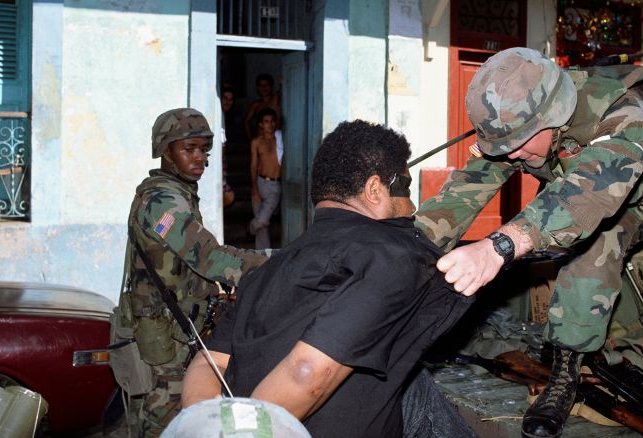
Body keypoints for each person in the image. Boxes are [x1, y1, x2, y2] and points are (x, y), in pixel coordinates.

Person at [415, 47, 643, 438]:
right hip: (629, 203)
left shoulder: (629, 106)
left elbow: (592, 190)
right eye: (503, 146)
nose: (511, 155)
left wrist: (499, 246)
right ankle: (565, 373)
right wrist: (408, 248)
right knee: (584, 256)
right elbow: (465, 188)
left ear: (556, 114)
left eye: (519, 143)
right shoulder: (523, 127)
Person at [181, 120, 476, 438]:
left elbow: (208, 363)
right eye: (404, 187)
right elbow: (305, 371)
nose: (412, 205)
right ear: (375, 191)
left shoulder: (268, 269)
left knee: (415, 385)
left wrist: (206, 425)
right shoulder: (391, 254)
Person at [112, 108, 269, 437]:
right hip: (167, 341)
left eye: (204, 150)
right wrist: (274, 262)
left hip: (179, 331)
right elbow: (209, 258)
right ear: (165, 151)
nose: (200, 158)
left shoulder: (178, 195)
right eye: (189, 149)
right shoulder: (163, 203)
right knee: (165, 422)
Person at [249, 107, 282, 249]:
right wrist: (254, 189)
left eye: (272, 121)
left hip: (275, 186)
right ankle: (262, 256)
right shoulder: (256, 142)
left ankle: (249, 228)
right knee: (262, 229)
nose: (270, 124)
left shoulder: (280, 140)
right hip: (260, 182)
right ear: (261, 124)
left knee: (262, 220)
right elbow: (253, 166)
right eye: (266, 121)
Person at [244, 73, 282, 140]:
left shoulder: (276, 99)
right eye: (261, 85)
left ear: (271, 86)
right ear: (257, 87)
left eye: (266, 85)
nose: (264, 87)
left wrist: (281, 83)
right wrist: (250, 139)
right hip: (260, 142)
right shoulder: (256, 105)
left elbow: (285, 87)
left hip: (274, 141)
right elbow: (246, 121)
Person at [220, 85, 236, 207]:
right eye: (225, 98)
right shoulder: (218, 115)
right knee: (229, 196)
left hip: (221, 162)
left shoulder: (222, 116)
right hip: (216, 163)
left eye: (230, 99)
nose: (227, 102)